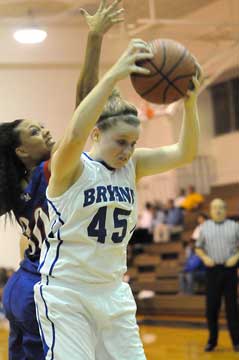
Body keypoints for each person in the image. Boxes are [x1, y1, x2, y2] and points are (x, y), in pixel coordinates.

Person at [34, 38, 201, 360]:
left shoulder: (133, 166)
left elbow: (185, 152)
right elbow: (72, 135)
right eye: (120, 142)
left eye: (134, 143)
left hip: (113, 292)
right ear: (96, 134)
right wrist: (112, 76)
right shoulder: (71, 167)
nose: (127, 151)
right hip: (68, 292)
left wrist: (191, 103)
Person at [1, 2, 123, 359]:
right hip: (44, 290)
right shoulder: (50, 172)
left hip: (19, 286)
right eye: (35, 131)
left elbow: (26, 243)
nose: (46, 130)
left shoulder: (15, 187)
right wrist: (96, 36)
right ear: (23, 152)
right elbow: (85, 105)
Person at [195, 198, 239, 352]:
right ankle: (212, 341)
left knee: (232, 309)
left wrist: (236, 256)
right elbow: (198, 247)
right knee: (211, 309)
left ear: (226, 210)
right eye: (215, 208)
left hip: (230, 272)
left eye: (221, 207)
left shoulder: (234, 226)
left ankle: (236, 342)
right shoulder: (204, 227)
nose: (218, 210)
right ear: (211, 211)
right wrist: (205, 257)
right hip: (212, 272)